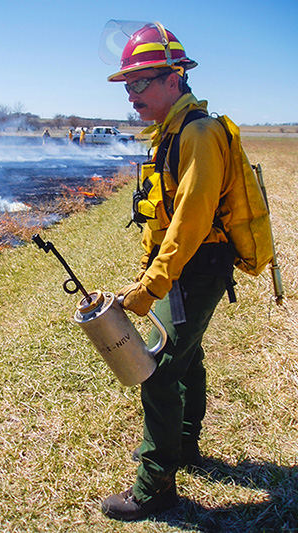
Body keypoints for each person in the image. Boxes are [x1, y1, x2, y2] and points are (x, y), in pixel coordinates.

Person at [100, 21, 236, 521]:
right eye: (128, 84)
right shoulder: (173, 132)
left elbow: (192, 219)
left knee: (158, 372)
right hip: (184, 267)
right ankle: (182, 448)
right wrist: (150, 271)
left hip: (194, 268)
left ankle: (155, 489)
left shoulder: (197, 133)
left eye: (142, 82)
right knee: (187, 358)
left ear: (174, 78)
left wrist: (152, 283)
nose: (132, 94)